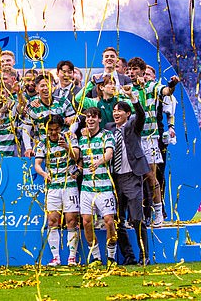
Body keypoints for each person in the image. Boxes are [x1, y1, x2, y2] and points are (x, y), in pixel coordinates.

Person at [128, 57, 180, 226]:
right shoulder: (127, 90)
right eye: (129, 69)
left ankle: (159, 213)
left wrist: (172, 85)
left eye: (135, 69)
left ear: (142, 71)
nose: (131, 72)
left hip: (149, 139)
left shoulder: (152, 86)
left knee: (151, 176)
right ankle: (135, 217)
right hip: (133, 139)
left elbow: (166, 91)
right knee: (133, 179)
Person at [105, 87, 150, 266]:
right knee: (117, 221)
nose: (116, 113)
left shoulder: (133, 125)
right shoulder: (108, 128)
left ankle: (144, 256)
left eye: (120, 111)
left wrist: (133, 98)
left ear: (127, 114)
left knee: (136, 218)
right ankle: (129, 256)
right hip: (114, 179)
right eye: (114, 111)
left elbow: (141, 115)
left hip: (132, 176)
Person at [34, 115, 81, 266]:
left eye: (56, 129)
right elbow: (37, 164)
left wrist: (66, 147)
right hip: (53, 186)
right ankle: (56, 258)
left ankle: (72, 257)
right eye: (51, 130)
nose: (54, 133)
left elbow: (77, 157)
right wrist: (43, 173)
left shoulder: (70, 138)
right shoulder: (43, 143)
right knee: (52, 221)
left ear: (62, 128)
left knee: (71, 220)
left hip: (69, 185)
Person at [78, 107, 117, 266]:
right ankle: (96, 258)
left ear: (99, 119)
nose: (90, 119)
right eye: (88, 117)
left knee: (109, 221)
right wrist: (78, 168)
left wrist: (99, 161)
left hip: (105, 187)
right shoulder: (82, 139)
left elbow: (109, 154)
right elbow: (79, 159)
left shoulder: (107, 135)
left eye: (93, 117)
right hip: (87, 187)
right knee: (86, 222)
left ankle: (111, 257)